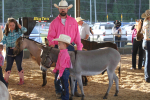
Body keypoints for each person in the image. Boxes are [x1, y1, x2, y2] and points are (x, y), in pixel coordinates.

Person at [47, 0, 83, 98]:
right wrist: (58, 43)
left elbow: (77, 36)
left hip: (70, 47)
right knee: (59, 68)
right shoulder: (54, 23)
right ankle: (58, 90)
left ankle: (74, 90)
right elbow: (50, 38)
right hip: (58, 49)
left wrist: (79, 49)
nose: (63, 10)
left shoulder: (73, 22)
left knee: (73, 69)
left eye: (64, 8)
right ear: (58, 9)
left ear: (67, 9)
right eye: (61, 8)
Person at [1, 18, 27, 85]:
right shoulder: (6, 32)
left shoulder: (18, 31)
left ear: (15, 25)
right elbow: (4, 40)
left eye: (13, 25)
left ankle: (22, 80)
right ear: (8, 25)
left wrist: (19, 26)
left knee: (19, 65)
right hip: (9, 50)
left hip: (18, 50)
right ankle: (5, 80)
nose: (12, 27)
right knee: (8, 66)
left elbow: (25, 30)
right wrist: (1, 44)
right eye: (10, 25)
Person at [51, 34, 72, 100]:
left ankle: (65, 98)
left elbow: (62, 65)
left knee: (64, 85)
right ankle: (63, 97)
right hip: (62, 71)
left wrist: (60, 74)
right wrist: (55, 69)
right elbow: (58, 63)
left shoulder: (64, 54)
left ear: (65, 45)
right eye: (58, 43)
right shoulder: (61, 52)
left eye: (60, 44)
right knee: (62, 85)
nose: (58, 45)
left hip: (64, 71)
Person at [141, 9, 150, 82]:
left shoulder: (145, 22)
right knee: (148, 59)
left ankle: (147, 76)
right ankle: (147, 76)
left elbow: (142, 32)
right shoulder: (149, 23)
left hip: (145, 41)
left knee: (147, 59)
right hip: (148, 42)